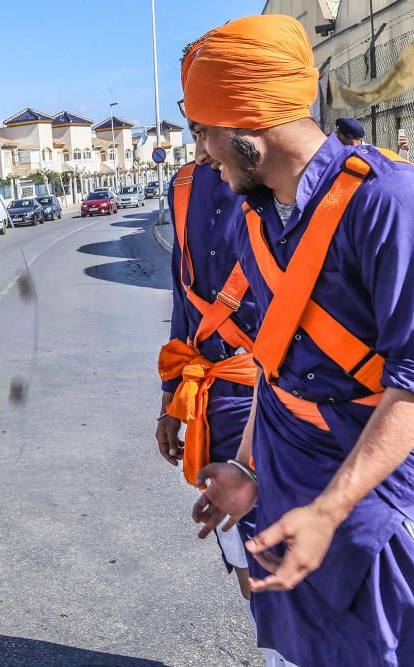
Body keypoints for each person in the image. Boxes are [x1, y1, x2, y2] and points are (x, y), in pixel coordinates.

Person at [182, 14, 414, 665]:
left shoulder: (387, 202)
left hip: (366, 502)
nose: (202, 153)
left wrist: (333, 509)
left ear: (247, 123)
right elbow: (273, 362)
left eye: (205, 132)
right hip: (283, 490)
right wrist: (246, 468)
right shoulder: (254, 222)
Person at [156, 160, 269, 640]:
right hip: (211, 403)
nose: (200, 144)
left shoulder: (282, 174)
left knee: (282, 552)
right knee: (245, 558)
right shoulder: (183, 184)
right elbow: (183, 301)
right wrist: (168, 402)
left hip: (278, 397)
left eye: (207, 127)